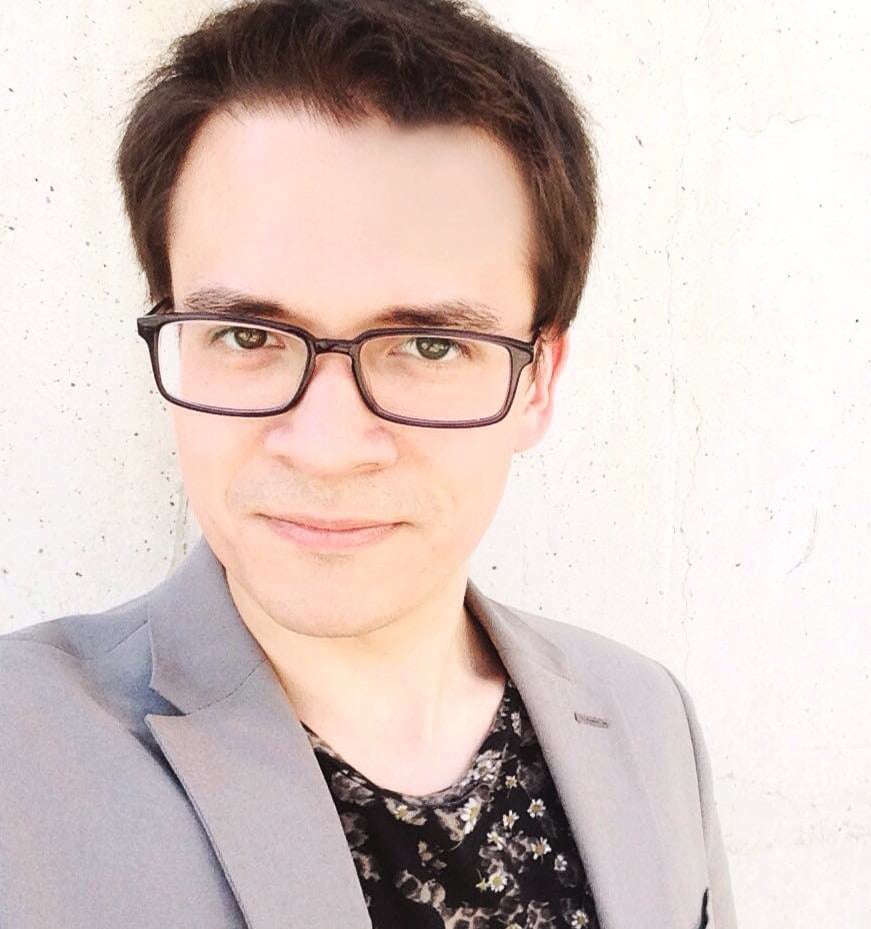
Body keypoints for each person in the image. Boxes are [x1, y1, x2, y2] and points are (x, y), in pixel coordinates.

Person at [0, 1, 737, 927]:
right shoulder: (20, 756)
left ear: (538, 381)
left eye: (429, 345)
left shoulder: (648, 720)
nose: (327, 446)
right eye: (246, 334)